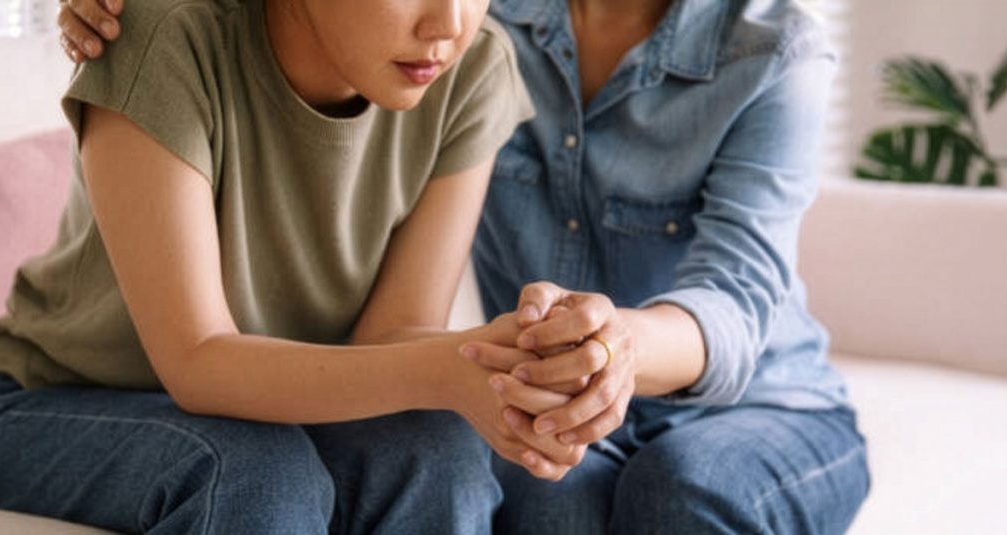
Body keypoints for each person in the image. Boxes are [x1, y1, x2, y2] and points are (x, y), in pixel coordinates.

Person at [56, 0, 872, 533]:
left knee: (683, 491)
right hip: (554, 402)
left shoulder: (772, 50)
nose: (446, 22)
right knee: (546, 501)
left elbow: (736, 296)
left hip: (754, 402)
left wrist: (608, 347)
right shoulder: (483, 28)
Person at [0, 0, 575, 532]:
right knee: (251, 472)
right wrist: (449, 367)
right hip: (47, 398)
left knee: (437, 450)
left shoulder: (473, 68)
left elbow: (391, 339)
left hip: (274, 412)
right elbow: (197, 362)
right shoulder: (165, 37)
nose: (448, 25)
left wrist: (505, 363)